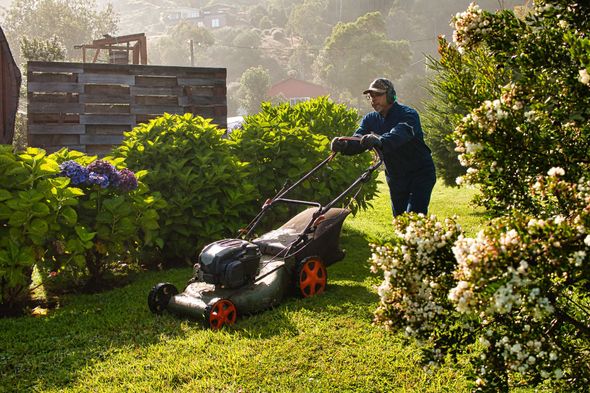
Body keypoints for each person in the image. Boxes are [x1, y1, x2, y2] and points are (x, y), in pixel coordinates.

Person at [331, 78, 436, 217]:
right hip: (396, 176)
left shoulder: (409, 114)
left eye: (378, 95)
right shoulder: (370, 119)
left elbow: (399, 134)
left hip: (420, 173)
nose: (373, 99)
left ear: (391, 95)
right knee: (399, 218)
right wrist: (343, 145)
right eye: (371, 96)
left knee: (415, 216)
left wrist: (379, 140)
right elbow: (358, 140)